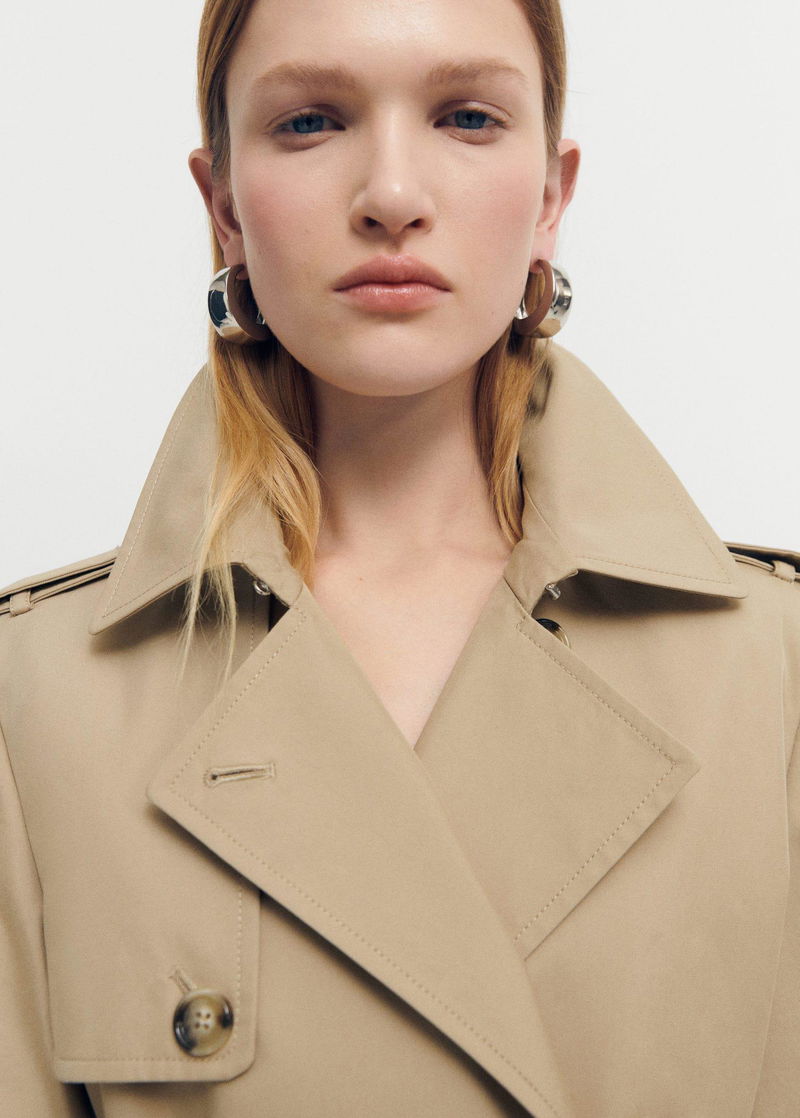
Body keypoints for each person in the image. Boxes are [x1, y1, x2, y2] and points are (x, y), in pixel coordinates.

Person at [1, 0, 797, 1115]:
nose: (389, 194)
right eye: (310, 121)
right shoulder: (35, 699)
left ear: (550, 196)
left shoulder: (772, 673)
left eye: (465, 117)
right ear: (223, 206)